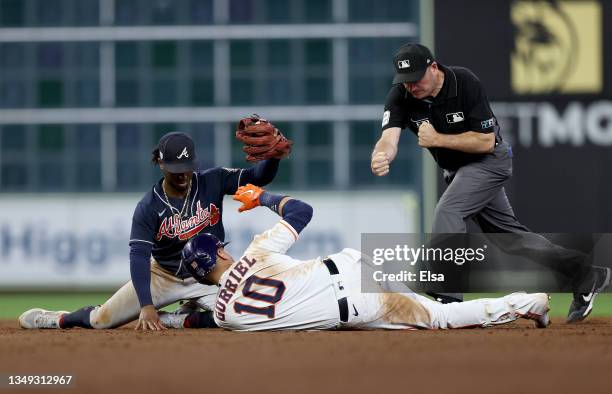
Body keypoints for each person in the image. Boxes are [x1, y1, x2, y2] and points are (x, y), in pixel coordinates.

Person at [369, 42, 610, 323]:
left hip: (489, 161)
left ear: (433, 67)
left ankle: (448, 298)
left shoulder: (464, 82)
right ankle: (586, 273)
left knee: (449, 211)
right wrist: (381, 155)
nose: (411, 86)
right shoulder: (400, 96)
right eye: (405, 81)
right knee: (512, 240)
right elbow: (389, 138)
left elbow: (484, 142)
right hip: (458, 172)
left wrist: (437, 140)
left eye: (416, 78)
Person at [157, 184, 550, 331]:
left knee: (441, 319)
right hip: (351, 262)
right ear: (222, 250)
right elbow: (302, 212)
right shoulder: (258, 250)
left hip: (359, 305)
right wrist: (263, 198)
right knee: (434, 297)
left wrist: (169, 319)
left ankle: (524, 303)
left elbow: (201, 319)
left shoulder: (226, 316)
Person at [19, 130, 285, 330]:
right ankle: (59, 319)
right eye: (175, 170)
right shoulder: (148, 206)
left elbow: (258, 177)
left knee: (248, 316)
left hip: (211, 277)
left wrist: (273, 157)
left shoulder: (212, 180)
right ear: (160, 163)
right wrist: (146, 306)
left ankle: (178, 319)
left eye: (186, 168)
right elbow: (138, 256)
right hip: (165, 276)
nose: (182, 175)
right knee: (101, 320)